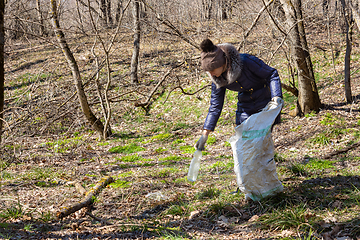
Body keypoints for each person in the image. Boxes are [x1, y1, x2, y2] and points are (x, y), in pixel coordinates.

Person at [195, 39, 283, 151]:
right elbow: (215, 106)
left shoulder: (246, 61)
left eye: (212, 69)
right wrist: (205, 134)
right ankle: (249, 168)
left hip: (264, 100)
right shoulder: (217, 78)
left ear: (221, 63)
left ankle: (264, 166)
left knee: (260, 142)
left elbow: (272, 74)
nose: (211, 74)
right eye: (208, 71)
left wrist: (276, 97)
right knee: (243, 144)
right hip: (245, 104)